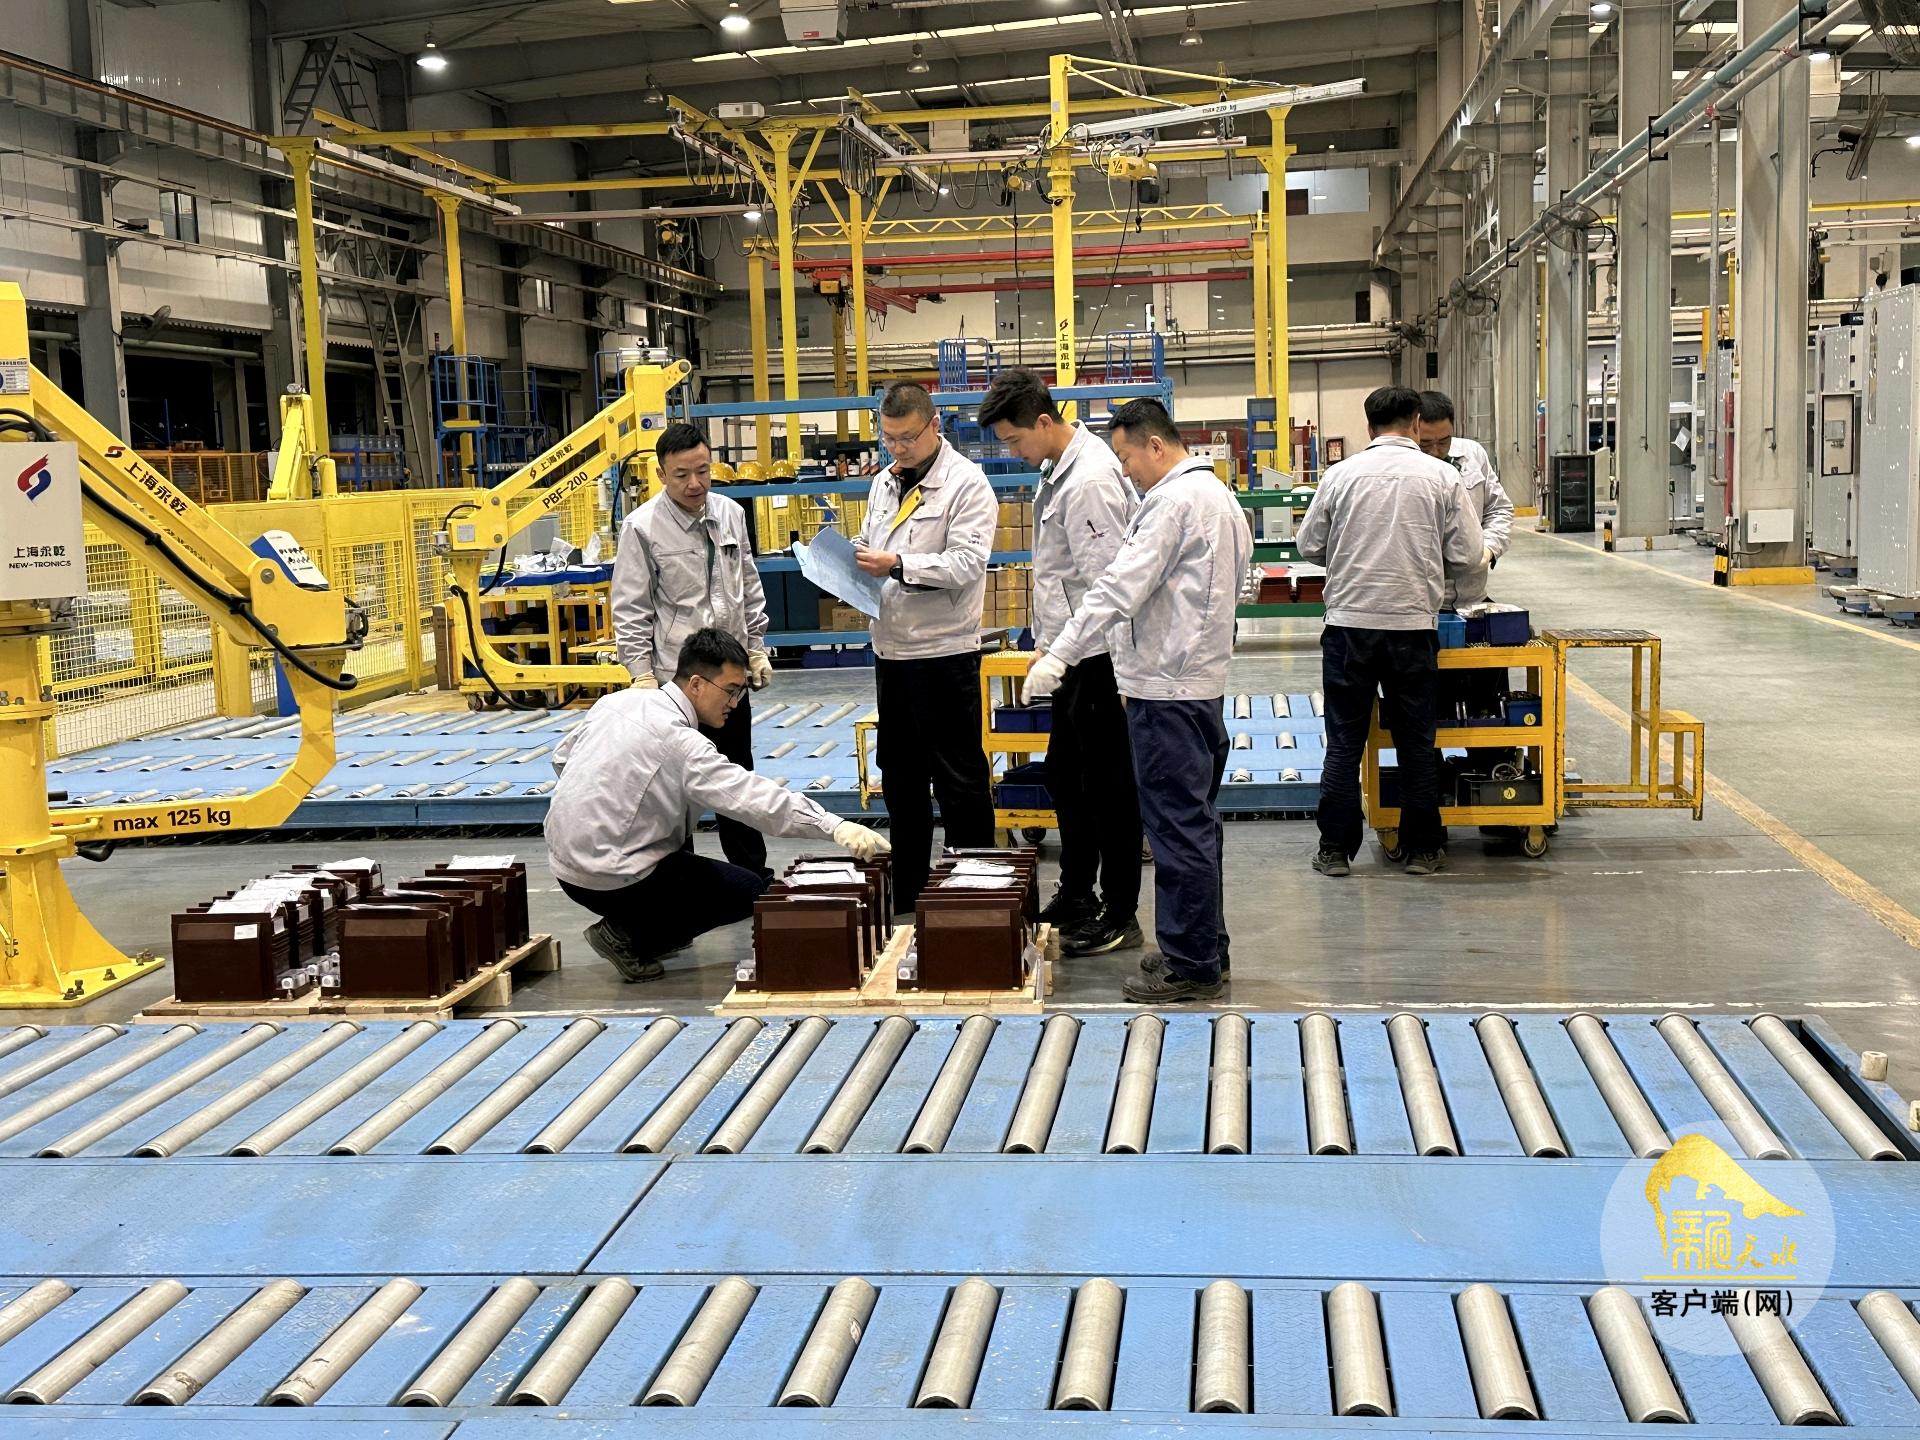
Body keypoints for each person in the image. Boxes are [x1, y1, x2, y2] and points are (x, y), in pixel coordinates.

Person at [1024, 398, 1251, 1004]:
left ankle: (1192, 965)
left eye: (1126, 458)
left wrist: (1059, 654)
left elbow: (1115, 589)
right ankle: (1204, 947)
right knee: (1196, 825)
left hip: (1166, 690)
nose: (1124, 472)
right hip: (1198, 684)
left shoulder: (1172, 503)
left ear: (1155, 445)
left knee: (1177, 830)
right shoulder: (1218, 496)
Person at [547, 628, 889, 980]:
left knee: (677, 857)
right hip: (611, 879)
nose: (734, 703)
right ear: (696, 684)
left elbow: (561, 758)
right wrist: (835, 826)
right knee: (746, 889)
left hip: (564, 867)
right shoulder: (682, 743)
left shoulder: (617, 703)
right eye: (730, 690)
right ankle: (626, 935)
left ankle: (643, 921)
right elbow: (753, 799)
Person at [977, 367, 1143, 956]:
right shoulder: (1058, 471)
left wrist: (1112, 672)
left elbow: (1110, 587)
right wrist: (1047, 644)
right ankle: (1077, 894)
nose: (1012, 452)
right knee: (1066, 779)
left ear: (1044, 422)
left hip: (1098, 658)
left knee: (1109, 789)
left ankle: (1119, 912)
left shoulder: (1090, 480)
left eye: (1014, 440)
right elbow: (1060, 575)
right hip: (1071, 655)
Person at [1297, 385, 1484, 879]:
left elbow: (1309, 545)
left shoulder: (1339, 475)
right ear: (1417, 423)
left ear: (1369, 427)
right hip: (1410, 628)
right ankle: (1423, 849)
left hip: (1348, 628)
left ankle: (1334, 851)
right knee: (1415, 742)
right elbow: (1468, 555)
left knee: (1344, 743)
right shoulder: (1442, 477)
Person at [853, 381, 998, 915]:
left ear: (935, 426)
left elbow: (967, 563)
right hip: (891, 653)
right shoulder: (883, 483)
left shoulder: (967, 485)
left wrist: (897, 565)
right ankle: (910, 890)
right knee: (901, 779)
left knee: (958, 779)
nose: (898, 449)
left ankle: (974, 889)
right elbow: (874, 542)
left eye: (907, 438)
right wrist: (853, 560)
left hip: (944, 653)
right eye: (889, 439)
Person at [611, 421, 775, 880]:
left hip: (729, 683)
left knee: (737, 778)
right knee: (673, 791)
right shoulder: (642, 527)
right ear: (661, 474)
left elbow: (748, 587)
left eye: (703, 471)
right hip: (677, 684)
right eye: (682, 474)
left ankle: (753, 880)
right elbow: (631, 606)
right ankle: (674, 883)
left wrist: (756, 649)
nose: (695, 483)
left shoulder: (731, 513)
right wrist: (641, 674)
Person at [1416, 390, 1511, 607]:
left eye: (1443, 441)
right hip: (1423, 603)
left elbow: (1499, 509)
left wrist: (1488, 549)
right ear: (1412, 430)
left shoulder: (1472, 454)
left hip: (1473, 596)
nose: (1435, 451)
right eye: (1426, 444)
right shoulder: (1405, 468)